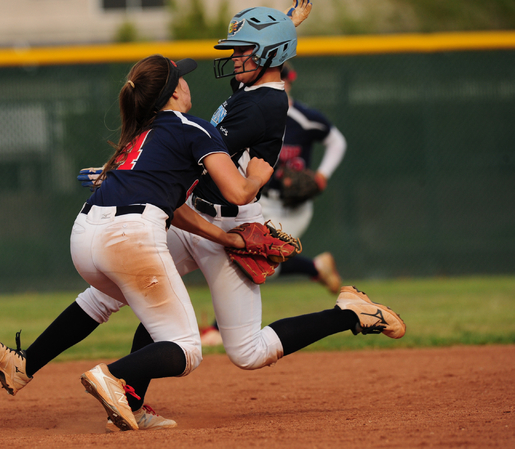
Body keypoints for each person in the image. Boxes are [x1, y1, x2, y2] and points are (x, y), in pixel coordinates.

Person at [80, 4, 405, 429]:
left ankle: (351, 312)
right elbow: (257, 63)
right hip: (200, 212)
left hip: (230, 221)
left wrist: (126, 175)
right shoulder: (251, 82)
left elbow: (196, 164)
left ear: (268, 56)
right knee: (155, 294)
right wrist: (289, 24)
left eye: (243, 51)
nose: (235, 58)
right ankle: (130, 401)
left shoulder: (264, 104)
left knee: (248, 351)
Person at [0, 54, 274, 432]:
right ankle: (115, 377)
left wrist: (221, 236)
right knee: (187, 349)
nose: (186, 82)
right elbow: (237, 192)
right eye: (180, 78)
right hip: (130, 237)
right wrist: (257, 178)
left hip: (85, 235)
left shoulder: (141, 134)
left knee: (105, 300)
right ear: (174, 91)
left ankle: (23, 366)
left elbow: (175, 206)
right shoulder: (193, 128)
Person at [200, 62, 348, 346]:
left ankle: (219, 329)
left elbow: (337, 142)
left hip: (293, 208)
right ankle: (316, 269)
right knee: (251, 257)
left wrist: (322, 175)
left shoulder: (304, 118)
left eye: (286, 80)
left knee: (258, 259)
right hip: (263, 199)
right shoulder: (258, 111)